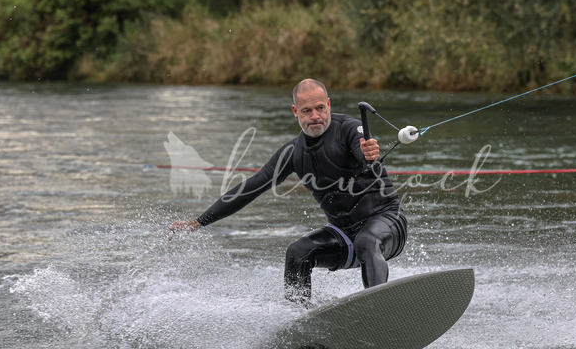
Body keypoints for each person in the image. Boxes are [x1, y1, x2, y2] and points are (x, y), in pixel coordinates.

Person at [168, 79, 408, 303]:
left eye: (320, 108)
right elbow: (249, 189)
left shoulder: (349, 129)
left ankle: (378, 309)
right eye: (306, 111)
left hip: (387, 223)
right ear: (295, 112)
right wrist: (199, 222)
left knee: (367, 240)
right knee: (298, 252)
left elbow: (366, 156)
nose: (315, 116)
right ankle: (299, 321)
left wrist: (369, 155)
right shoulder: (292, 153)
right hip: (345, 237)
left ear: (329, 105)